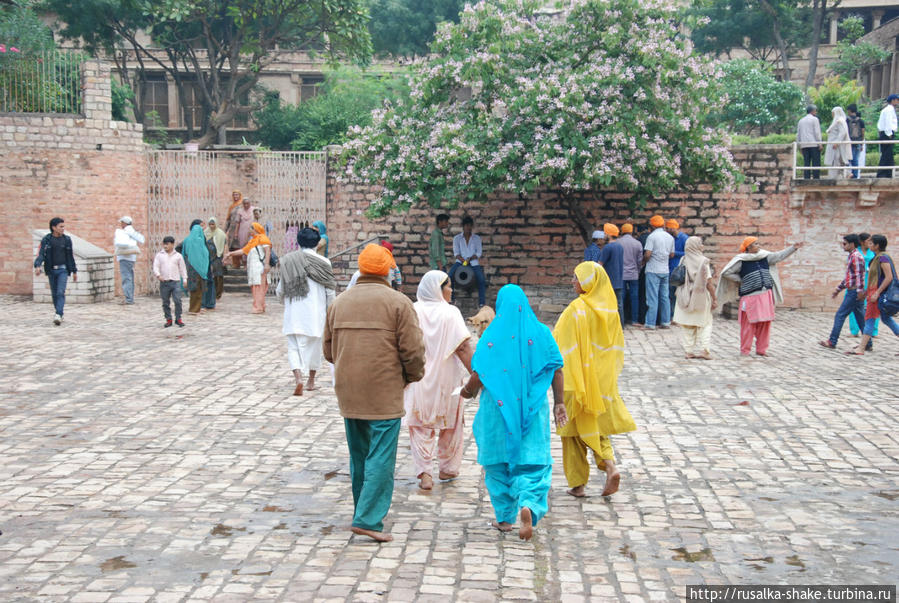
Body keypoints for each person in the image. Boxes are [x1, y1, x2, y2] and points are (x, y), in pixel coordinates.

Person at [323, 243, 426, 542]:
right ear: (388, 271)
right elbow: (413, 352)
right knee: (381, 453)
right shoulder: (398, 303)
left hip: (349, 390)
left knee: (359, 454)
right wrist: (411, 376)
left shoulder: (339, 302)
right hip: (384, 389)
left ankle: (362, 511)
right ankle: (368, 519)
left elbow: (328, 350)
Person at [460, 284, 566, 540]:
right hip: (532, 409)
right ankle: (528, 504)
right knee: (533, 463)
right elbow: (557, 369)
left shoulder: (491, 336)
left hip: (497, 412)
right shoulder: (541, 332)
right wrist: (559, 403)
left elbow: (479, 374)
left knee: (497, 464)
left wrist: (467, 392)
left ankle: (505, 519)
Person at [553, 262, 636, 498]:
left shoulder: (575, 309)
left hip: (575, 377)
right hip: (601, 380)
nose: (573, 282)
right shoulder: (609, 310)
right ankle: (609, 466)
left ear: (588, 282)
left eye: (577, 278)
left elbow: (559, 344)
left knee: (570, 430)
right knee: (596, 425)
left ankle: (578, 484)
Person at [404, 270, 474, 490]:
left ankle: (425, 473)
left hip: (418, 377)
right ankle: (447, 469)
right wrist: (476, 374)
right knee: (451, 425)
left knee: (419, 426)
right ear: (437, 288)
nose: (451, 290)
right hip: (447, 380)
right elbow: (462, 347)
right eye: (448, 286)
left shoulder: (413, 310)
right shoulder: (451, 313)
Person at [717, 237, 804, 356]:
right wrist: (742, 280)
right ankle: (745, 350)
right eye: (755, 244)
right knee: (749, 324)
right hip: (750, 296)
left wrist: (793, 248)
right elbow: (727, 272)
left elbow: (779, 256)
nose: (759, 246)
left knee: (765, 323)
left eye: (758, 243)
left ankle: (761, 349)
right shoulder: (741, 260)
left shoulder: (765, 256)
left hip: (765, 295)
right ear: (748, 247)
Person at [277, 227, 336, 395]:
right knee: (315, 347)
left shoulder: (288, 260)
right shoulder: (324, 263)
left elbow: (281, 288)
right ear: (317, 243)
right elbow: (330, 291)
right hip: (315, 312)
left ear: (298, 242)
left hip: (294, 310)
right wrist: (330, 309)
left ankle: (298, 379)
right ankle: (311, 381)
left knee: (293, 346)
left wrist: (283, 301)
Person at [848, 234, 899, 355]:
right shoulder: (877, 258)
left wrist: (877, 292)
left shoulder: (883, 259)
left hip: (879, 294)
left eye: (871, 243)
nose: (869, 245)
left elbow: (889, 277)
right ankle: (862, 346)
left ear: (877, 246)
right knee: (885, 319)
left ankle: (861, 348)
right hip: (874, 293)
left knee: (870, 319)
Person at [819, 234, 867, 350]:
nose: (843, 246)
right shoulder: (852, 256)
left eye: (845, 243)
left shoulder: (856, 257)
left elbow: (859, 276)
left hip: (854, 292)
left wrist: (860, 291)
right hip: (854, 290)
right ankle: (867, 344)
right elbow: (849, 277)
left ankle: (832, 340)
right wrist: (838, 289)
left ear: (852, 244)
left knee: (840, 315)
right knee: (860, 317)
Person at [673, 237, 717, 359]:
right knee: (705, 323)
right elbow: (709, 283)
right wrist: (714, 298)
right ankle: (705, 350)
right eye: (700, 244)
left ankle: (688, 351)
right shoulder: (703, 261)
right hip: (700, 294)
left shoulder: (683, 259)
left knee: (687, 325)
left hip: (685, 293)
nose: (702, 246)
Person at [33, 217, 77, 326]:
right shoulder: (47, 240)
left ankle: (58, 313)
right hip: (51, 270)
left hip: (63, 270)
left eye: (63, 226)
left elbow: (70, 256)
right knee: (54, 294)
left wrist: (74, 271)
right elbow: (41, 253)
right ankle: (59, 313)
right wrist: (38, 265)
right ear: (54, 227)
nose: (63, 229)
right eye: (60, 227)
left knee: (60, 292)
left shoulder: (67, 240)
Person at [224, 223, 271, 314]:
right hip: (254, 269)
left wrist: (267, 264)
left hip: (260, 268)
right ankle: (260, 305)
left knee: (259, 287)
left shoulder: (263, 238)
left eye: (250, 228)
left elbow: (267, 251)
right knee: (256, 287)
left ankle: (258, 307)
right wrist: (230, 254)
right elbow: (243, 251)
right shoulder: (253, 241)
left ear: (255, 229)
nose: (249, 230)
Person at [642, 215, 674, 329]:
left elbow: (647, 254)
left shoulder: (652, 237)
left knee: (652, 297)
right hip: (665, 270)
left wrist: (643, 262)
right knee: (665, 297)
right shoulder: (669, 237)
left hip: (653, 270)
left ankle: (650, 323)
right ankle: (665, 322)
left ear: (652, 225)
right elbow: (672, 254)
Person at [448, 216, 487, 307]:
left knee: (481, 280)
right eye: (466, 225)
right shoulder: (457, 238)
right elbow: (456, 253)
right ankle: (451, 300)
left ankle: (482, 303)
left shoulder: (476, 238)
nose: (468, 228)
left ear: (472, 226)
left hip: (473, 262)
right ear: (463, 226)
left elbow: (479, 252)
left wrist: (470, 259)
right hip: (460, 262)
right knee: (450, 277)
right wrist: (464, 260)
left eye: (470, 225)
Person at [152, 235, 187, 327]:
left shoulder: (178, 256)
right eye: (164, 244)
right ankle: (168, 319)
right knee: (165, 302)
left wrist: (185, 279)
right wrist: (158, 275)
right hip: (164, 282)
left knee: (178, 300)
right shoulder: (160, 255)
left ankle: (178, 318)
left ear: (172, 244)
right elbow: (155, 266)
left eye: (167, 244)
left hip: (175, 282)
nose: (165, 246)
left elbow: (182, 268)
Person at [850, 233, 879, 338]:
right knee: (856, 306)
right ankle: (854, 330)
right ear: (862, 242)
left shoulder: (873, 252)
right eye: (867, 241)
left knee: (873, 305)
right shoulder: (856, 252)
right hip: (860, 279)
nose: (869, 243)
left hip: (871, 279)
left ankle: (874, 331)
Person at [113, 216, 144, 305]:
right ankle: (129, 297)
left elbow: (122, 243)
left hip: (125, 257)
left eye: (122, 222)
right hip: (130, 257)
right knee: (129, 277)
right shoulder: (132, 231)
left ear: (125, 223)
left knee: (126, 278)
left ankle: (129, 299)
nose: (121, 224)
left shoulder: (126, 231)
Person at [181, 220, 210, 316]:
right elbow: (204, 253)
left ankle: (196, 308)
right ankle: (193, 309)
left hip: (190, 266)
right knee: (197, 289)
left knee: (196, 289)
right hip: (198, 268)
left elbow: (182, 251)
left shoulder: (187, 240)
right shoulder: (199, 240)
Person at [618, 223, 643, 327]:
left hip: (621, 274)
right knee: (634, 297)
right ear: (632, 231)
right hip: (633, 274)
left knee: (621, 297)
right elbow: (640, 260)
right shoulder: (637, 243)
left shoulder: (618, 243)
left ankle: (621, 320)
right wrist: (638, 270)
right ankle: (634, 320)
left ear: (622, 231)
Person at [598, 223, 624, 322]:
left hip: (609, 280)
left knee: (607, 304)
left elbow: (599, 264)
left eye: (605, 233)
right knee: (619, 304)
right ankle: (620, 324)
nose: (604, 236)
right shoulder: (620, 246)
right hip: (619, 279)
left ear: (608, 235)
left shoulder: (607, 248)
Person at [666, 219, 688, 314]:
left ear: (672, 228)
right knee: (670, 294)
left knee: (678, 294)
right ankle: (671, 315)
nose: (666, 230)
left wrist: (675, 253)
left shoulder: (684, 238)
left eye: (667, 228)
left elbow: (688, 252)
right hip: (670, 269)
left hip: (679, 270)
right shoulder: (669, 238)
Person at [824, 106, 852, 179]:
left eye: (833, 113)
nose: (832, 115)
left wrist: (837, 142)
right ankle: (845, 173)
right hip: (834, 145)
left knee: (836, 160)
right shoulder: (838, 121)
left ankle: (835, 177)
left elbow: (842, 132)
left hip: (836, 145)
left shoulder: (839, 121)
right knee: (838, 160)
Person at [797, 105, 823, 179]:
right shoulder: (815, 119)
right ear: (813, 111)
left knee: (806, 163)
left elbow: (798, 134)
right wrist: (820, 143)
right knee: (816, 162)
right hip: (813, 144)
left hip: (804, 145)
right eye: (815, 110)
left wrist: (799, 145)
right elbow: (817, 132)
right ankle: (816, 178)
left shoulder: (801, 121)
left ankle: (806, 178)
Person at [876, 94, 899, 178]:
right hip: (887, 133)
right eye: (897, 100)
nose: (898, 102)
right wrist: (889, 134)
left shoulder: (889, 109)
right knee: (886, 154)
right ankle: (882, 174)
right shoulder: (889, 110)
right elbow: (888, 122)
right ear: (892, 100)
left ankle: (888, 173)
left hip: (885, 133)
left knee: (888, 154)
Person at [204, 217, 227, 300]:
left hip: (217, 256)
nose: (211, 226)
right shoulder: (206, 233)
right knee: (210, 275)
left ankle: (218, 293)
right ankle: (211, 292)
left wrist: (225, 257)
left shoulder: (220, 234)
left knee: (218, 275)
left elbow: (225, 245)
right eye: (210, 224)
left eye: (213, 224)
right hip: (208, 257)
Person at [232, 196, 256, 267]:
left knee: (251, 246)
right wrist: (236, 233)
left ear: (250, 203)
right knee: (243, 247)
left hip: (252, 231)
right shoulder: (240, 211)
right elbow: (237, 223)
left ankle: (251, 263)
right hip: (242, 231)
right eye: (244, 204)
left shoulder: (253, 210)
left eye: (247, 203)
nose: (246, 205)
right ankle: (245, 263)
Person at [847, 103, 866, 178]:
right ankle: (855, 174)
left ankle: (851, 174)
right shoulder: (861, 121)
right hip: (858, 141)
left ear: (849, 110)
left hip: (849, 141)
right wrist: (861, 142)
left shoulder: (847, 120)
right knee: (856, 159)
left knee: (849, 158)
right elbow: (863, 131)